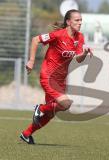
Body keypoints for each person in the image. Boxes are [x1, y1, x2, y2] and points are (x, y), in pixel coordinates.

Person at [20, 9, 93, 144]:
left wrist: (84, 53)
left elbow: (78, 59)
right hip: (48, 76)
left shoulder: (80, 37)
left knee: (51, 113)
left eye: (81, 20)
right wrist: (31, 60)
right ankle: (40, 108)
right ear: (68, 22)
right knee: (65, 104)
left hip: (60, 80)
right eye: (77, 20)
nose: (80, 22)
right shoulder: (58, 35)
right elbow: (36, 39)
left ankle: (26, 133)